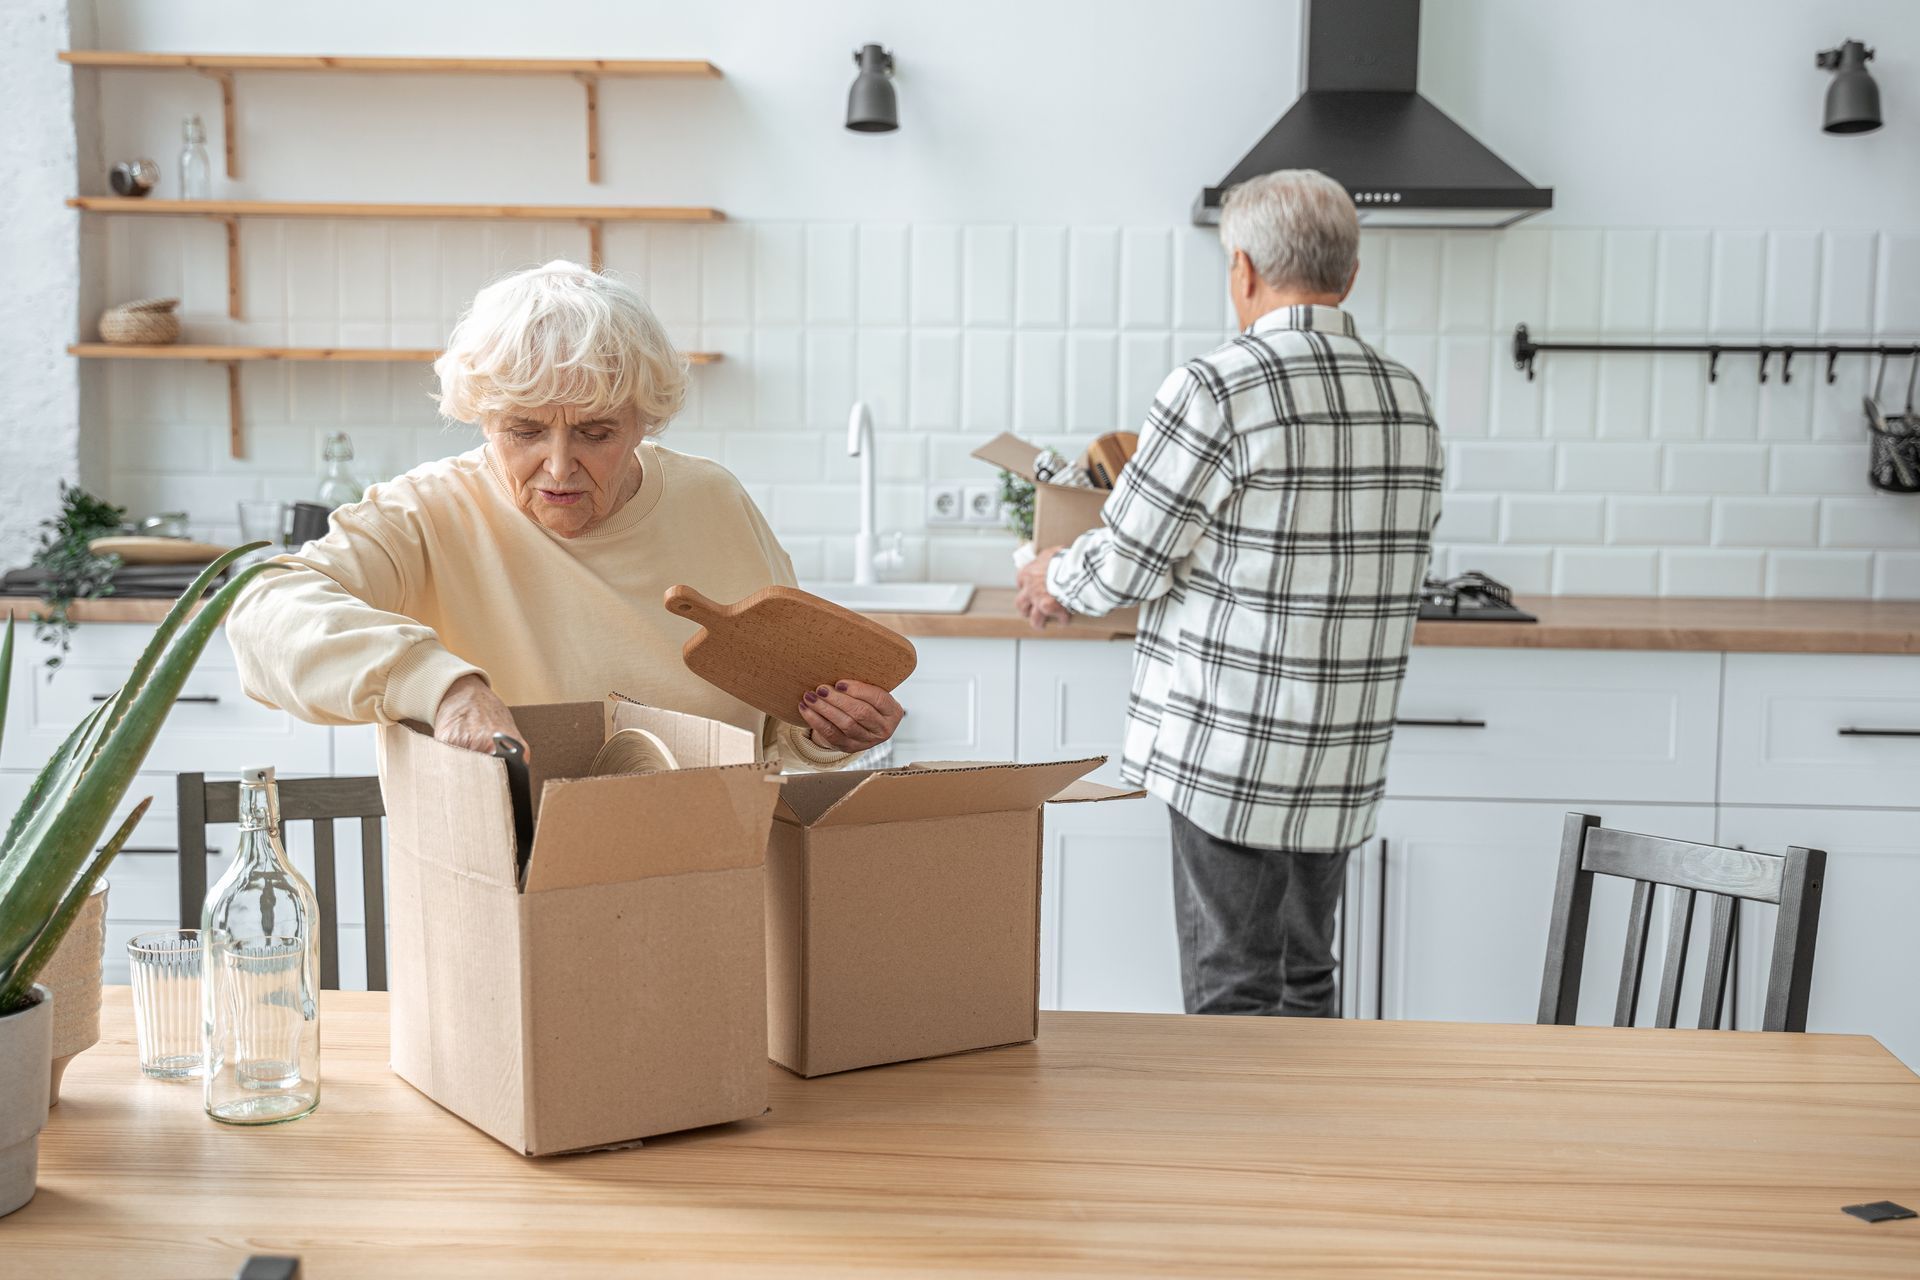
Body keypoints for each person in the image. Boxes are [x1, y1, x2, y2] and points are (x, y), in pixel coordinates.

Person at [1013, 170, 1442, 1017]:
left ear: (1242, 270)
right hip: (1340, 747)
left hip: (1233, 745)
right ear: (1349, 276)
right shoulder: (1407, 398)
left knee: (1234, 984)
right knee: (1309, 973)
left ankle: (1240, 1155)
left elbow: (1133, 559)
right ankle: (1305, 1150)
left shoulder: (1218, 386)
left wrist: (1050, 574)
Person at [227, 260, 903, 766]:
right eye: (524, 431)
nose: (557, 466)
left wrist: (825, 734)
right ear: (484, 419)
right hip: (507, 885)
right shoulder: (427, 513)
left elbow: (780, 735)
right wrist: (441, 685)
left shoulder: (714, 502)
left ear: (643, 422)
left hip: (713, 870)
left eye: (596, 432)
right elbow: (262, 615)